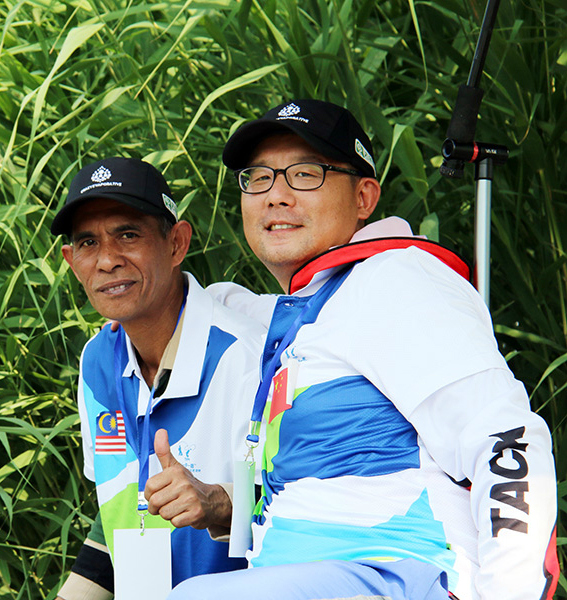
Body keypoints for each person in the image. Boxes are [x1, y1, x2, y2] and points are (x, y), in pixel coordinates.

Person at [168, 99, 559, 600]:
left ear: (364, 198)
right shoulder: (303, 309)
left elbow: (508, 440)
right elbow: (197, 305)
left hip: (400, 575)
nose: (275, 195)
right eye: (259, 177)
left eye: (305, 174)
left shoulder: (396, 280)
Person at [50, 157, 266, 599]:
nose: (108, 260)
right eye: (88, 243)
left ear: (176, 243)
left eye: (128, 234)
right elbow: (120, 511)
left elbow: (307, 508)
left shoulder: (246, 356)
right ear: (72, 262)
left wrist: (218, 503)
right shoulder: (97, 361)